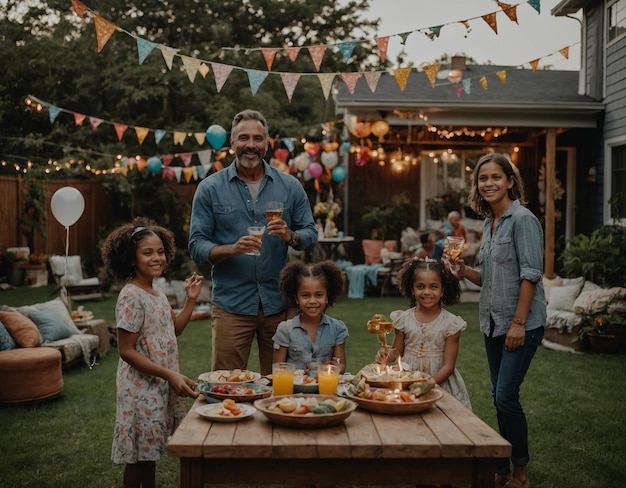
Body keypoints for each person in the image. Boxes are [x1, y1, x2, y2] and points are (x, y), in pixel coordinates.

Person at [188, 109, 317, 375]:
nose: (251, 145)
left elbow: (310, 234)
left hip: (280, 305)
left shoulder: (290, 186)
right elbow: (196, 245)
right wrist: (231, 249)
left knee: (282, 384)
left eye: (258, 138)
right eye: (243, 138)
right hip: (232, 306)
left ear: (267, 144)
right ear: (232, 143)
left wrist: (290, 236)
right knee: (228, 385)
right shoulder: (210, 188)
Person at [451, 153, 546, 488]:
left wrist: (518, 323)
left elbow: (530, 275)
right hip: (492, 322)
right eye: (482, 178)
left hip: (521, 323)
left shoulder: (522, 220)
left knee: (506, 395)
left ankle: (520, 473)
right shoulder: (490, 224)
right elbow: (490, 278)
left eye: (495, 177)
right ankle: (501, 469)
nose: (488, 183)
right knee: (498, 396)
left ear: (509, 181)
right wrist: (464, 271)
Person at [101, 218, 202, 488]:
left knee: (149, 454)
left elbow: (176, 328)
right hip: (139, 389)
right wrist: (170, 374)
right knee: (138, 459)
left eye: (160, 251)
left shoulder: (156, 292)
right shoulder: (132, 296)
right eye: (147, 252)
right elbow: (126, 351)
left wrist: (190, 299)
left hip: (158, 384)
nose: (157, 257)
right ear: (130, 258)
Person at [375, 258, 471, 410]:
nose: (427, 292)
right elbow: (397, 352)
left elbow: (449, 366)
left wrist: (428, 384)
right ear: (412, 289)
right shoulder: (403, 319)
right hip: (408, 378)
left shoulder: (451, 324)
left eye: (433, 287)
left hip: (439, 381)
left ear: (442, 290)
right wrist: (386, 354)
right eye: (420, 286)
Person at [272, 260, 348, 373]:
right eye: (305, 295)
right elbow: (278, 369)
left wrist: (334, 368)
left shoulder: (337, 328)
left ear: (327, 297)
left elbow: (340, 365)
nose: (312, 301)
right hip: (293, 388)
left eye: (319, 295)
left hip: (325, 388)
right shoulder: (285, 329)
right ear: (296, 298)